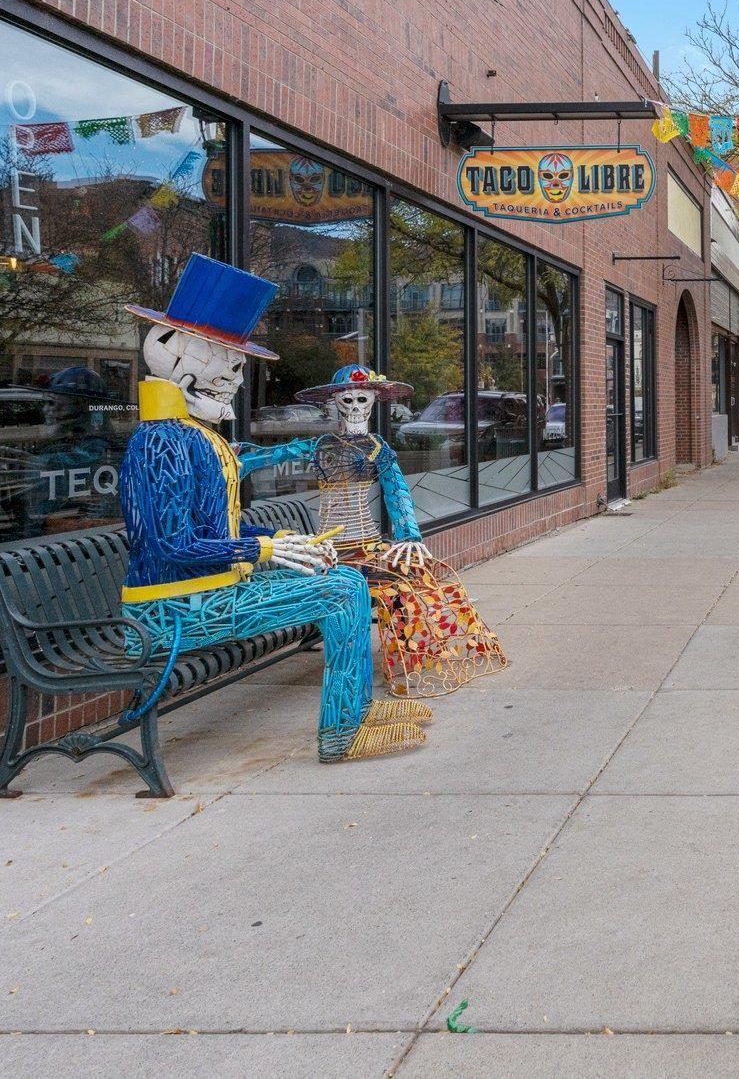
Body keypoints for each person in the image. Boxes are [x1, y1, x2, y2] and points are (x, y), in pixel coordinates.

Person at [119, 255, 427, 763]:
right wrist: (265, 547)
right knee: (339, 592)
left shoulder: (190, 436)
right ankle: (343, 733)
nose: (238, 380)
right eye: (232, 364)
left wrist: (286, 543)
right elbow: (171, 545)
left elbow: (214, 527)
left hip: (209, 591)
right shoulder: (161, 443)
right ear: (184, 361)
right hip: (171, 611)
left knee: (346, 582)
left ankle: (355, 713)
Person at [244, 366, 508, 698]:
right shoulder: (320, 446)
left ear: (373, 402)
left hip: (367, 544)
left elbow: (397, 492)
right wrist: (231, 460)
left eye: (362, 399)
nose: (355, 407)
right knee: (381, 584)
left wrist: (409, 536)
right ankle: (364, 660)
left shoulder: (377, 449)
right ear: (335, 402)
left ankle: (413, 654)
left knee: (416, 576)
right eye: (349, 399)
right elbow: (267, 456)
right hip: (329, 552)